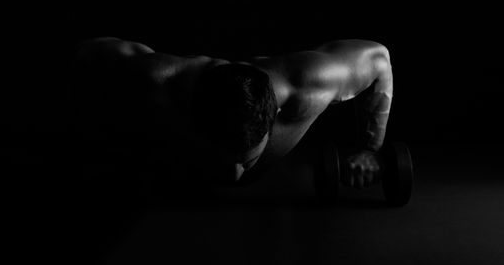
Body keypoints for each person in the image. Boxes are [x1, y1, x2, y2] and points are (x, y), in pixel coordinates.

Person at [70, 37, 393, 188]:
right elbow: (87, 52)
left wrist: (370, 149)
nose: (234, 176)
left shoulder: (307, 88)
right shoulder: (153, 82)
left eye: (248, 160)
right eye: (220, 158)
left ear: (275, 117)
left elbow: (379, 57)